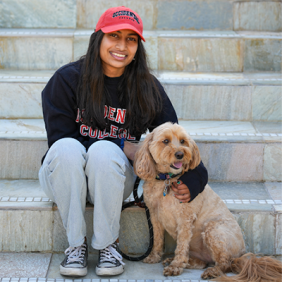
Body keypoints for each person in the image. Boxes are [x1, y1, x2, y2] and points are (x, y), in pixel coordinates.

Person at [39, 6, 208, 277]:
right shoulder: (66, 80)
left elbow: (174, 136)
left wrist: (195, 178)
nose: (122, 46)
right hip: (64, 177)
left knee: (105, 151)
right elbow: (59, 140)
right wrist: (121, 143)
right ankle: (75, 246)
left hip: (113, 179)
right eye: (114, 36)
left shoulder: (146, 87)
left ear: (137, 47)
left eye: (131, 39)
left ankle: (107, 246)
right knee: (69, 148)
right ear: (98, 39)